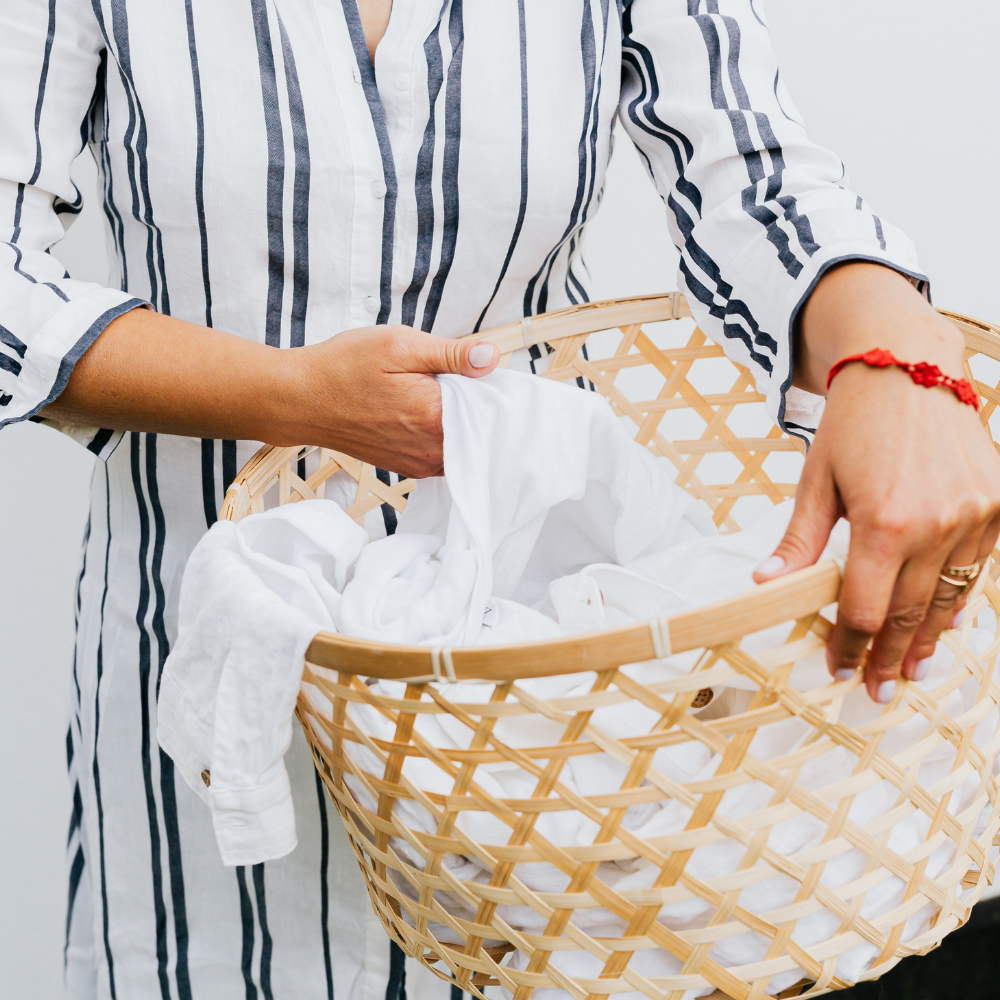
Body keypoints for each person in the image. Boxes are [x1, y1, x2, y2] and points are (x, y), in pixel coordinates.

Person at [3, 0, 998, 997]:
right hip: (219, 662)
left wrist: (895, 354)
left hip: (557, 710)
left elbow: (753, 170)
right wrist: (291, 397)